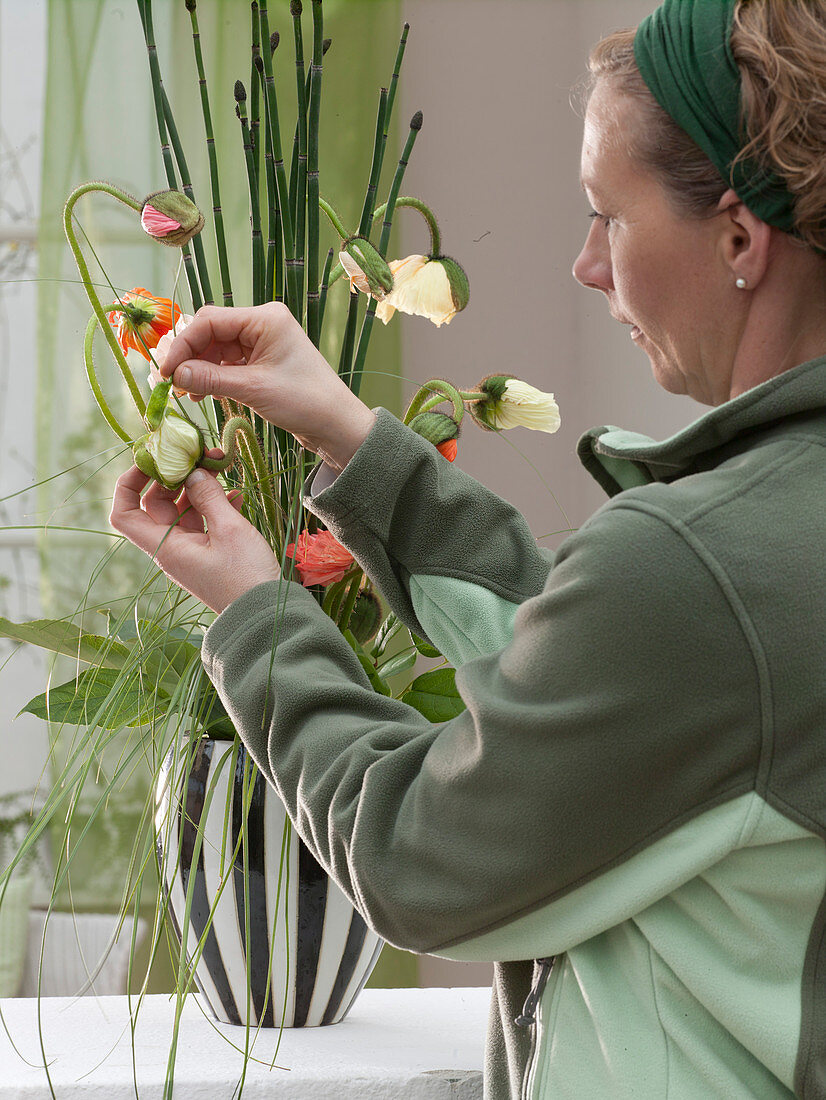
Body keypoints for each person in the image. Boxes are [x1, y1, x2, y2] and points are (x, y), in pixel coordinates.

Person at [109, 1, 826, 1096]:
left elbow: (416, 855)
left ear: (737, 235)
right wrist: (350, 439)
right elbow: (633, 696)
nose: (586, 266)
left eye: (608, 218)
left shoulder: (701, 566)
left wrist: (256, 612)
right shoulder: (756, 549)